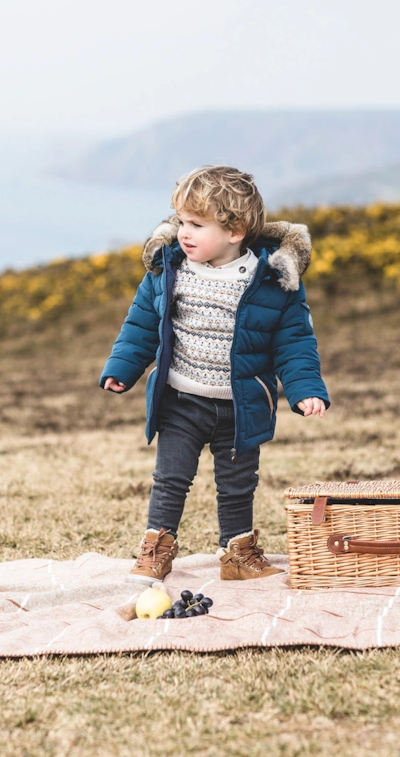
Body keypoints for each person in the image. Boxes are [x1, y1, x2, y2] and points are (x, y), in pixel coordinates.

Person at [100, 165, 329, 584]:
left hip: (241, 406)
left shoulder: (272, 280)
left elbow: (294, 342)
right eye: (181, 221)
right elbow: (140, 325)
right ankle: (156, 548)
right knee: (170, 479)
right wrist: (123, 369)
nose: (182, 232)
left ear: (235, 230)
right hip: (180, 400)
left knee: (239, 484)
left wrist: (305, 389)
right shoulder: (169, 270)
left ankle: (238, 553)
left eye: (196, 225)